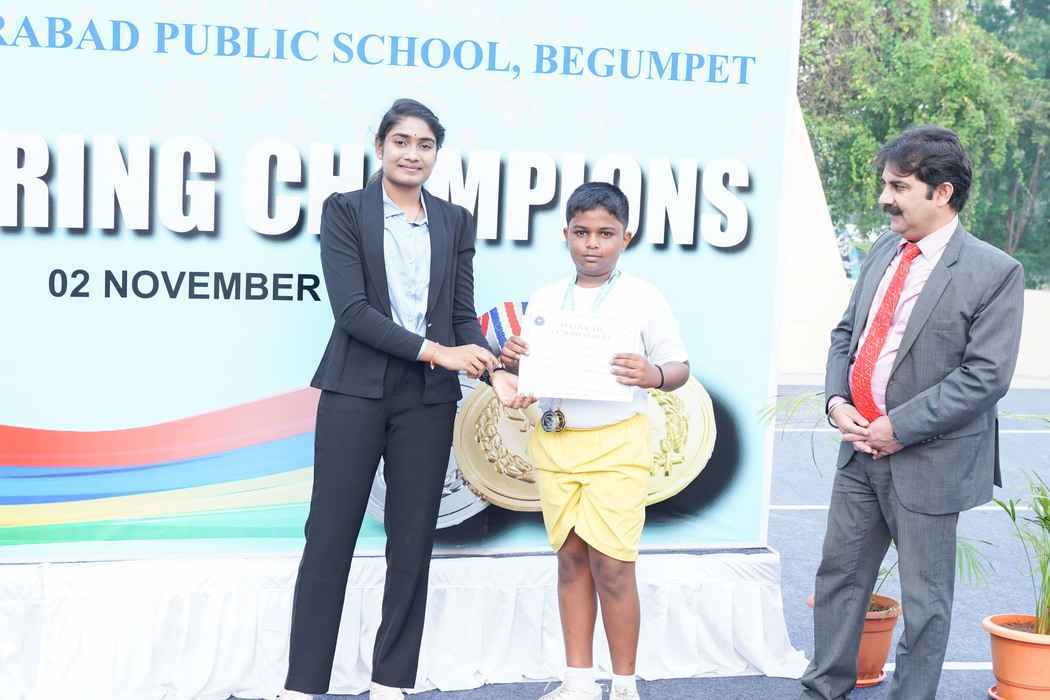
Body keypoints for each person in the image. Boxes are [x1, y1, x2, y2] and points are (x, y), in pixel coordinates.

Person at [280, 98, 499, 700]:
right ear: (380, 147)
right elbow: (352, 312)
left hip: (427, 400)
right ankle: (303, 685)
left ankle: (391, 680)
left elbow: (460, 315)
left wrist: (494, 371)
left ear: (436, 154)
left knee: (412, 540)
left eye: (425, 145)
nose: (412, 154)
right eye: (401, 141)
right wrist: (437, 352)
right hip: (356, 388)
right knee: (329, 535)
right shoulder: (346, 210)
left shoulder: (454, 221)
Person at [800, 126, 1025, 700]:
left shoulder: (994, 271)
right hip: (859, 452)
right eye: (886, 184)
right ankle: (823, 689)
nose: (885, 198)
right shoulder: (884, 249)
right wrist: (837, 403)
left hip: (929, 462)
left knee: (925, 603)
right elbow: (846, 335)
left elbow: (985, 376)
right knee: (839, 580)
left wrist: (898, 427)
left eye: (898, 187)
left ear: (941, 192)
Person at [491, 182, 690, 700]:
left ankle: (623, 685)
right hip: (556, 444)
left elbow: (679, 367)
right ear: (565, 234)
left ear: (626, 237)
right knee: (571, 559)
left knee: (614, 566)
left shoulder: (643, 297)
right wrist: (513, 360)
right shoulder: (545, 299)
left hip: (617, 446)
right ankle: (578, 681)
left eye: (605, 233)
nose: (592, 244)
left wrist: (653, 374)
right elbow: (530, 372)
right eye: (581, 233)